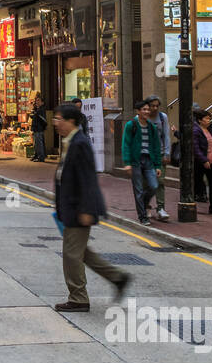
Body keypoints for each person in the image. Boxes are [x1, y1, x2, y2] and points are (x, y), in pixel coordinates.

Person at [53, 102, 129, 312]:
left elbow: (88, 180)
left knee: (71, 254)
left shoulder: (80, 143)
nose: (55, 123)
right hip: (71, 208)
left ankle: (78, 298)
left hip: (79, 208)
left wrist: (86, 209)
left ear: (71, 121)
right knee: (82, 253)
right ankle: (118, 278)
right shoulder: (70, 141)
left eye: (59, 119)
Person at [121, 97, 162, 226]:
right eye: (144, 109)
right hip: (136, 161)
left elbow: (156, 146)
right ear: (138, 111)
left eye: (148, 109)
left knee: (154, 186)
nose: (147, 111)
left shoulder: (151, 126)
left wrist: (158, 165)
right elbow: (126, 144)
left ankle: (143, 204)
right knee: (138, 189)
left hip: (149, 160)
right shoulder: (131, 125)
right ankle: (142, 216)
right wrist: (127, 163)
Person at [194, 109, 212, 215]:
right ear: (199, 120)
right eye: (206, 118)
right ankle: (191, 206)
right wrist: (203, 160)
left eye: (209, 118)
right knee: (197, 184)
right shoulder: (196, 131)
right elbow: (195, 148)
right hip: (200, 163)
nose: (209, 120)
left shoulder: (210, 129)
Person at [147, 96, 171, 221]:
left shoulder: (162, 117)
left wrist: (167, 153)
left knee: (160, 181)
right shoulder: (141, 117)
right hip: (145, 155)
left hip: (160, 154)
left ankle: (160, 208)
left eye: (157, 105)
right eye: (152, 105)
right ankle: (146, 206)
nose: (155, 108)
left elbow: (166, 136)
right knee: (148, 183)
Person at [31, 94, 48, 161]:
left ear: (42, 102)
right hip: (36, 128)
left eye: (38, 100)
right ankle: (36, 155)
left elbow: (42, 120)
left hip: (39, 128)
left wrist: (35, 114)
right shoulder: (37, 109)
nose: (36, 102)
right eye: (36, 100)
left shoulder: (41, 110)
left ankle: (41, 157)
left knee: (39, 143)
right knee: (36, 143)